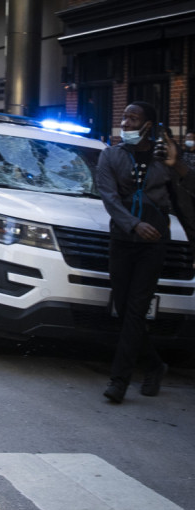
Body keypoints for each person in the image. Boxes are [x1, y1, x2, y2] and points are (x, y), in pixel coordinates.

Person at [96, 102, 195, 403]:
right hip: (123, 238)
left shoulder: (164, 157)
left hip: (154, 243)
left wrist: (177, 164)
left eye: (133, 118)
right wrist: (133, 224)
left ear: (147, 125)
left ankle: (119, 381)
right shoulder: (110, 155)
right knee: (124, 307)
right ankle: (154, 365)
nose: (125, 123)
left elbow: (189, 188)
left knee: (136, 309)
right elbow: (109, 197)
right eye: (124, 117)